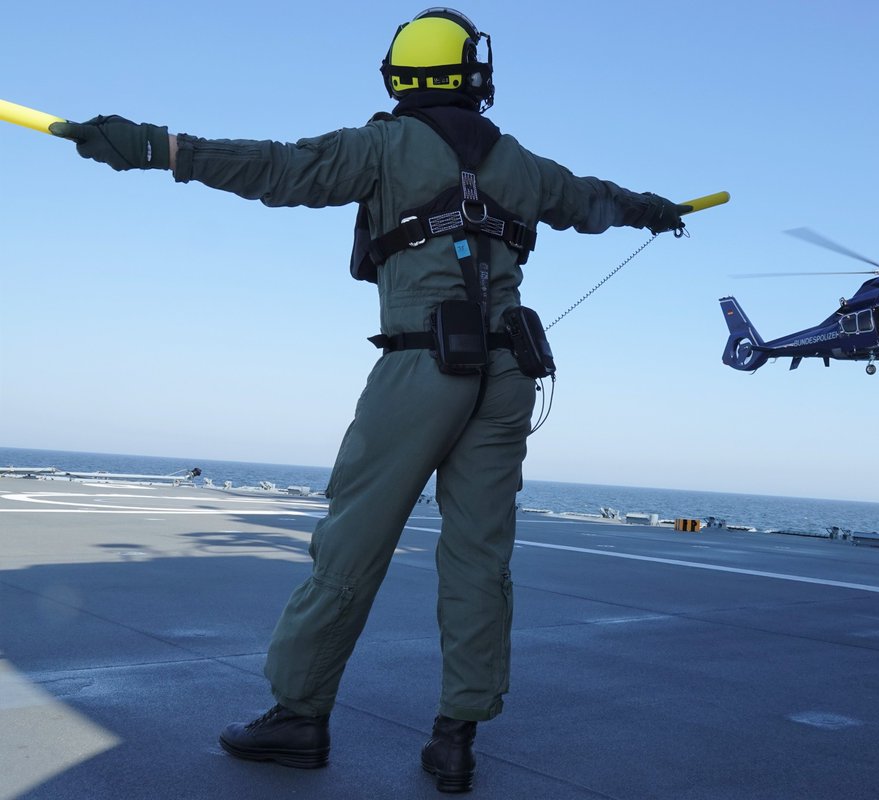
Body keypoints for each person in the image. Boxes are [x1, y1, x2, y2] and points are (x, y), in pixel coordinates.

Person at [52, 8, 684, 794]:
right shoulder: (520, 164)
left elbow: (274, 168)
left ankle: (298, 717)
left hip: (423, 367)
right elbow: (594, 200)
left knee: (351, 546)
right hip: (509, 375)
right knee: (480, 559)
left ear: (400, 76)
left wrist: (159, 148)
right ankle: (456, 739)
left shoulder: (381, 145)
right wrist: (656, 208)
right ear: (473, 74)